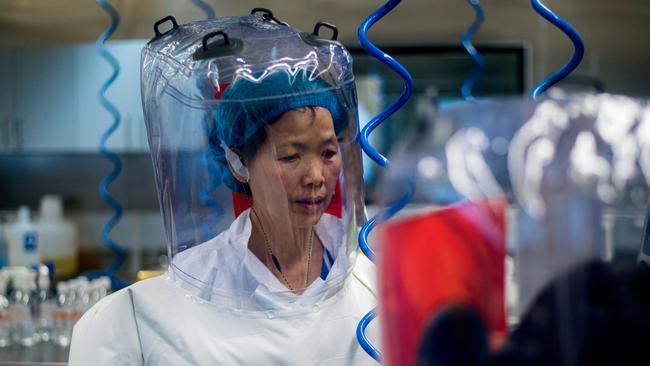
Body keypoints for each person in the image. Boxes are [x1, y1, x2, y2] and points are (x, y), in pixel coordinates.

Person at [68, 12, 378, 365]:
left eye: (328, 152)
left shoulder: (374, 284)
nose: (316, 176)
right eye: (290, 157)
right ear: (238, 163)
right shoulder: (168, 303)